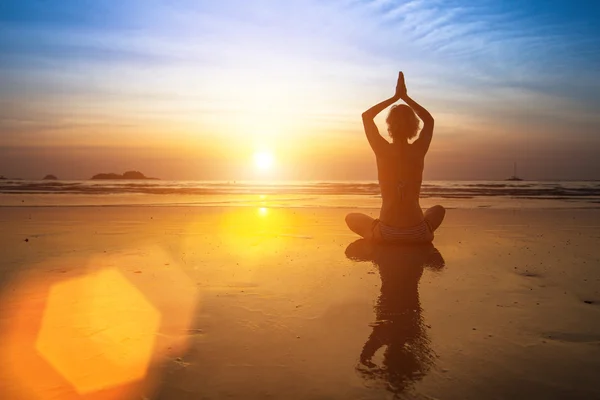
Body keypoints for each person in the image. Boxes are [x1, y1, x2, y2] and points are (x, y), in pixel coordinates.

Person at [345, 72, 445, 243]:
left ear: (390, 126)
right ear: (414, 127)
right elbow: (429, 120)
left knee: (351, 217)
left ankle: (374, 230)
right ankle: (421, 229)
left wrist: (395, 97)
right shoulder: (418, 150)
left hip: (387, 234)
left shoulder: (382, 149)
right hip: (418, 234)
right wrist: (405, 97)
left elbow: (366, 116)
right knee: (438, 210)